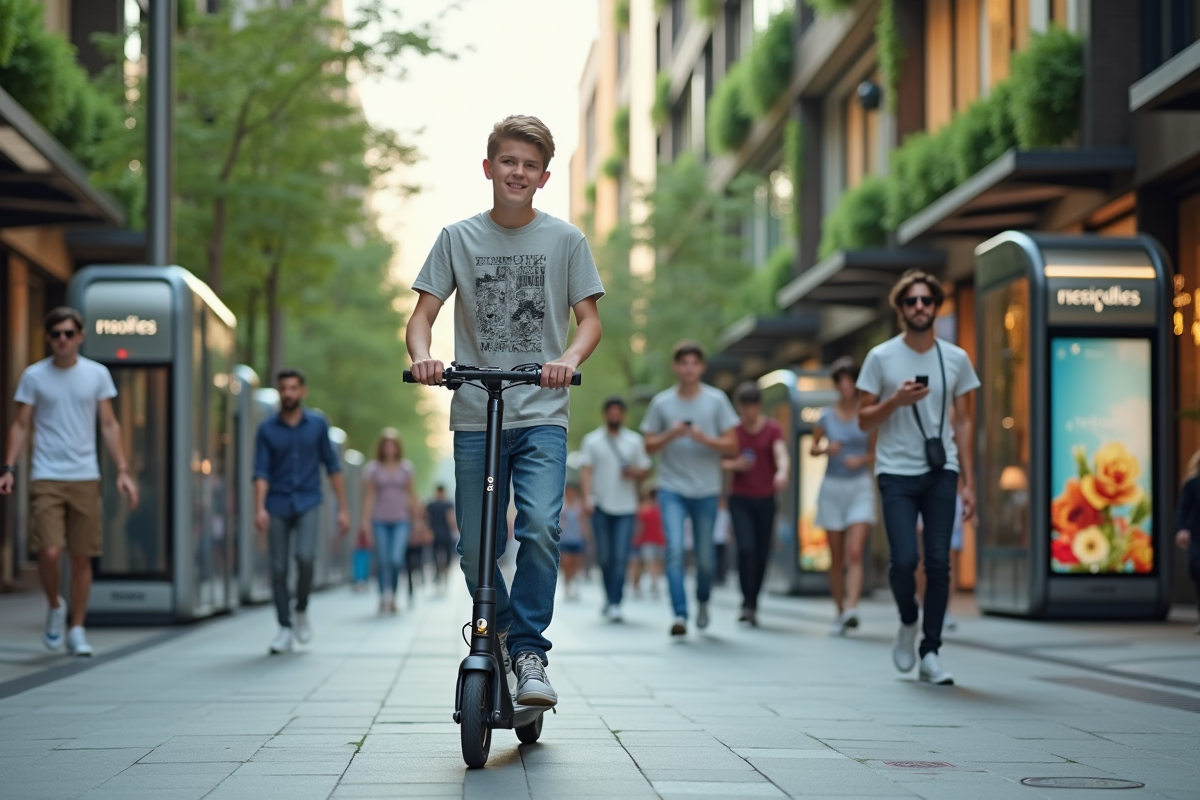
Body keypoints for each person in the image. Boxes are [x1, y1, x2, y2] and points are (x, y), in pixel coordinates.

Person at [407, 115, 604, 708]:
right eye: (508, 161)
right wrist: (424, 358)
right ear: (488, 167)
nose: (517, 172)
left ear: (544, 177)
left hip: (542, 410)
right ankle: (491, 634)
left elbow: (590, 320)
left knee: (541, 526)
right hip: (475, 412)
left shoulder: (566, 240)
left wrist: (566, 358)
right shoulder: (455, 238)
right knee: (475, 548)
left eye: (529, 165)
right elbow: (422, 317)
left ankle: (528, 651)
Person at [857, 270, 979, 685]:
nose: (920, 307)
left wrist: (969, 481)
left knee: (940, 562)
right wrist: (895, 400)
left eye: (927, 300)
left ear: (936, 306)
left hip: (941, 469)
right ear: (900, 309)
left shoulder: (956, 358)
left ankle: (931, 651)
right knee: (905, 559)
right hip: (895, 470)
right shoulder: (881, 358)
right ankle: (908, 619)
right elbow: (862, 420)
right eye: (911, 301)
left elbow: (963, 422)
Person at [0, 307, 140, 657]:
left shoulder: (96, 375)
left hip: (84, 477)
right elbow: (20, 425)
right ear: (48, 338)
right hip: (46, 475)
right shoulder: (34, 376)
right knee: (49, 552)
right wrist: (8, 467)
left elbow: (109, 425)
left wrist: (122, 469)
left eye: (68, 333)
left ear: (80, 336)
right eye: (55, 334)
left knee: (81, 558)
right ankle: (54, 606)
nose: (62, 340)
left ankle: (77, 627)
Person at [641, 341, 739, 637]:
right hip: (671, 487)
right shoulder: (662, 403)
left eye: (694, 363)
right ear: (676, 367)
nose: (688, 368)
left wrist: (702, 438)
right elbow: (648, 444)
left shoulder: (717, 400)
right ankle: (680, 614)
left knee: (706, 556)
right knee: (673, 550)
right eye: (683, 363)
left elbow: (733, 444)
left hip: (707, 489)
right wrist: (671, 433)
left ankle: (703, 600)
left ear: (701, 367)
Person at [254, 368, 350, 654]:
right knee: (279, 568)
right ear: (279, 392)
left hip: (308, 500)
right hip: (277, 503)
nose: (288, 393)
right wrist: (259, 507)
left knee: (306, 558)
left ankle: (302, 609)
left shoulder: (318, 425)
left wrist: (343, 508)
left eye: (294, 388)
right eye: (284, 388)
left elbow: (332, 467)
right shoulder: (267, 429)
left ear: (302, 391)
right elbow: (260, 472)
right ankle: (284, 627)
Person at [810, 358, 876, 636]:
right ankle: (839, 611)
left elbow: (876, 451)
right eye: (841, 381)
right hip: (832, 488)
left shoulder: (868, 415)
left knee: (854, 552)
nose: (846, 385)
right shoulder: (826, 417)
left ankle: (852, 608)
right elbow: (812, 448)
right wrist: (827, 450)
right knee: (836, 557)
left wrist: (860, 459)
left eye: (850, 380)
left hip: (859, 485)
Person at [723, 381, 790, 627]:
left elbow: (781, 453)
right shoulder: (733, 431)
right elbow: (720, 461)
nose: (749, 412)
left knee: (762, 552)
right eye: (744, 407)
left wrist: (782, 472)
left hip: (766, 497)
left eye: (753, 406)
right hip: (740, 497)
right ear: (739, 408)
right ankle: (745, 601)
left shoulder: (772, 429)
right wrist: (734, 465)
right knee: (746, 548)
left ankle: (753, 602)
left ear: (759, 406)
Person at [579, 396, 651, 621]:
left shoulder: (634, 441)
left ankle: (616, 602)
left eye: (619, 412)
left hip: (627, 507)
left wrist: (633, 473)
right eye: (611, 412)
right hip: (600, 505)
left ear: (623, 415)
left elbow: (645, 470)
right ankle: (609, 598)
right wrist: (587, 498)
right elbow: (586, 471)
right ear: (605, 414)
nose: (615, 416)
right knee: (605, 556)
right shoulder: (592, 441)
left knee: (621, 556)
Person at [361, 428, 419, 615]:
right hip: (379, 520)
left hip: (401, 520)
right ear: (381, 447)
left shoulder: (406, 468)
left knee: (395, 559)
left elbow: (411, 495)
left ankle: (392, 595)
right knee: (383, 559)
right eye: (386, 444)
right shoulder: (373, 469)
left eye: (393, 444)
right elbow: (369, 497)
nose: (389, 448)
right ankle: (382, 596)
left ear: (397, 447)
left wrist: (416, 519)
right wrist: (365, 521)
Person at [1173, 450, 1200, 635]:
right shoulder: (1192, 484)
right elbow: (1182, 509)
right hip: (1197, 536)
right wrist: (1181, 529)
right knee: (1197, 569)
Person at [629, 487, 665, 599]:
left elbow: (639, 526)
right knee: (654, 563)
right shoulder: (661, 508)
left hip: (647, 540)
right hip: (654, 540)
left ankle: (650, 583)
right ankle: (653, 582)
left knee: (649, 563)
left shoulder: (644, 508)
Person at [558, 484, 589, 600]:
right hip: (565, 539)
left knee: (576, 564)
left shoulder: (579, 505)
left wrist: (587, 536)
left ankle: (574, 584)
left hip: (577, 538)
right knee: (566, 563)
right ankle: (567, 585)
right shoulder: (562, 505)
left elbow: (583, 521)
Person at [426, 485, 458, 588]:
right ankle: (445, 569)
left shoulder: (431, 505)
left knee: (435, 554)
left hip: (435, 534)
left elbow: (427, 518)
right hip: (445, 533)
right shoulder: (448, 504)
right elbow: (451, 518)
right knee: (448, 554)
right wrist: (455, 529)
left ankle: (438, 571)